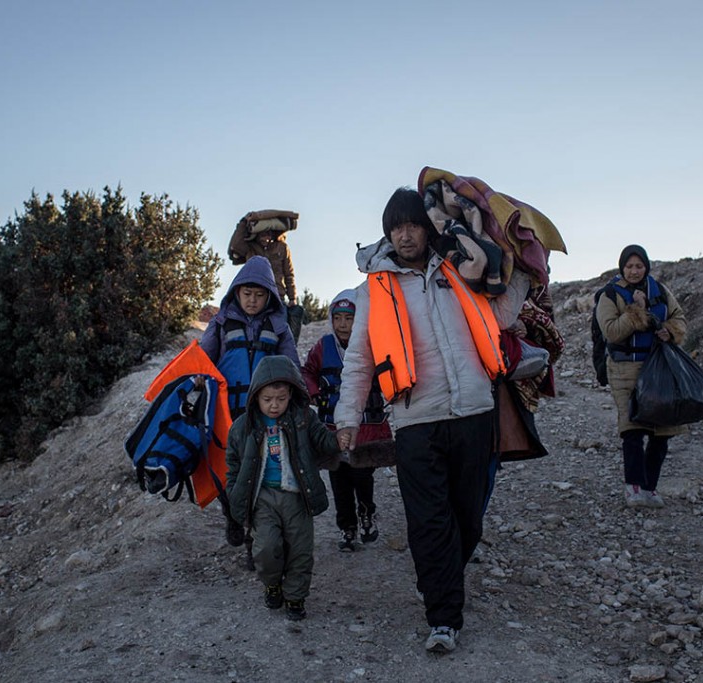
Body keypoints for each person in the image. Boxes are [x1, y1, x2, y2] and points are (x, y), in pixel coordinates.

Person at [333, 187, 528, 654]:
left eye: (412, 225)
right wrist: (348, 417)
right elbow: (359, 360)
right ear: (388, 234)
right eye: (396, 227)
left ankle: (441, 580)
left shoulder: (460, 270)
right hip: (414, 418)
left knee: (468, 516)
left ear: (428, 228)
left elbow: (499, 313)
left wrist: (524, 270)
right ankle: (443, 616)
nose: (404, 234)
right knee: (428, 519)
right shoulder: (374, 290)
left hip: (474, 411)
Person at [224, 354, 340, 621]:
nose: (274, 406)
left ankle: (296, 597)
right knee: (265, 549)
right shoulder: (243, 427)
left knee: (300, 550)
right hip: (262, 497)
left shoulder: (304, 418)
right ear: (255, 397)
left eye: (281, 399)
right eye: (267, 400)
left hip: (297, 496)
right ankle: (273, 584)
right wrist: (234, 491)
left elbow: (323, 440)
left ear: (291, 395)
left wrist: (338, 440)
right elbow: (231, 462)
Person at [595, 244, 688, 509]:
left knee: (662, 430)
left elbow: (679, 318)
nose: (634, 271)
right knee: (633, 430)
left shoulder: (660, 290)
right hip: (625, 369)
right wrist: (636, 311)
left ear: (646, 266)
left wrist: (670, 331)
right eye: (629, 266)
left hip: (659, 367)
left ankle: (649, 486)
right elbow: (611, 332)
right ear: (621, 267)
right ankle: (633, 487)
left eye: (639, 266)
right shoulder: (610, 295)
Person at [302, 289, 393, 552]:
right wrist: (314, 393)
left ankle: (367, 514)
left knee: (363, 475)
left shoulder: (372, 343)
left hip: (367, 428)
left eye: (349, 318)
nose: (343, 324)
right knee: (339, 480)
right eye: (338, 317)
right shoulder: (323, 346)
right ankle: (347, 528)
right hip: (331, 427)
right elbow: (308, 371)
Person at [199, 255, 299, 420]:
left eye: (259, 295)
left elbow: (293, 368)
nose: (252, 300)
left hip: (268, 412)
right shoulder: (220, 323)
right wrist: (199, 377)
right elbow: (203, 361)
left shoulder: (279, 326)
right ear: (237, 292)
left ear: (269, 296)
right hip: (225, 411)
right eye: (247, 293)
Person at [246, 229, 298, 308]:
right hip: (256, 298)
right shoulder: (251, 248)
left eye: (268, 235)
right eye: (262, 235)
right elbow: (235, 246)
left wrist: (292, 297)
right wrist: (243, 223)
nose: (266, 239)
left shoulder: (282, 247)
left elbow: (289, 274)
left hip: (277, 297)